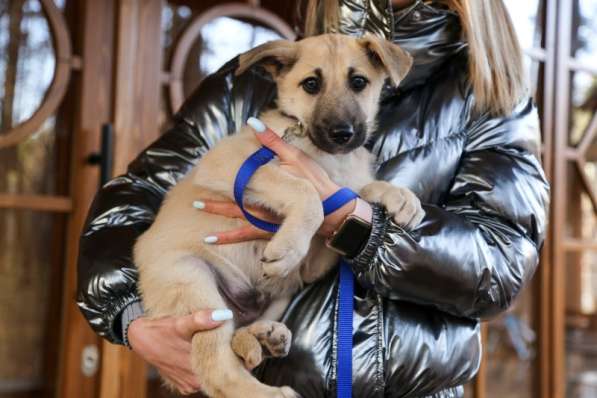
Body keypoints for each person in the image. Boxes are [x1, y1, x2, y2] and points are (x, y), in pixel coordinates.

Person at [76, 0, 550, 396]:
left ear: (384, 77)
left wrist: (358, 221)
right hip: (242, 331)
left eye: (359, 84)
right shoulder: (251, 82)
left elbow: (501, 264)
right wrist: (131, 316)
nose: (338, 110)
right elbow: (139, 196)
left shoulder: (491, 91)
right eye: (311, 86)